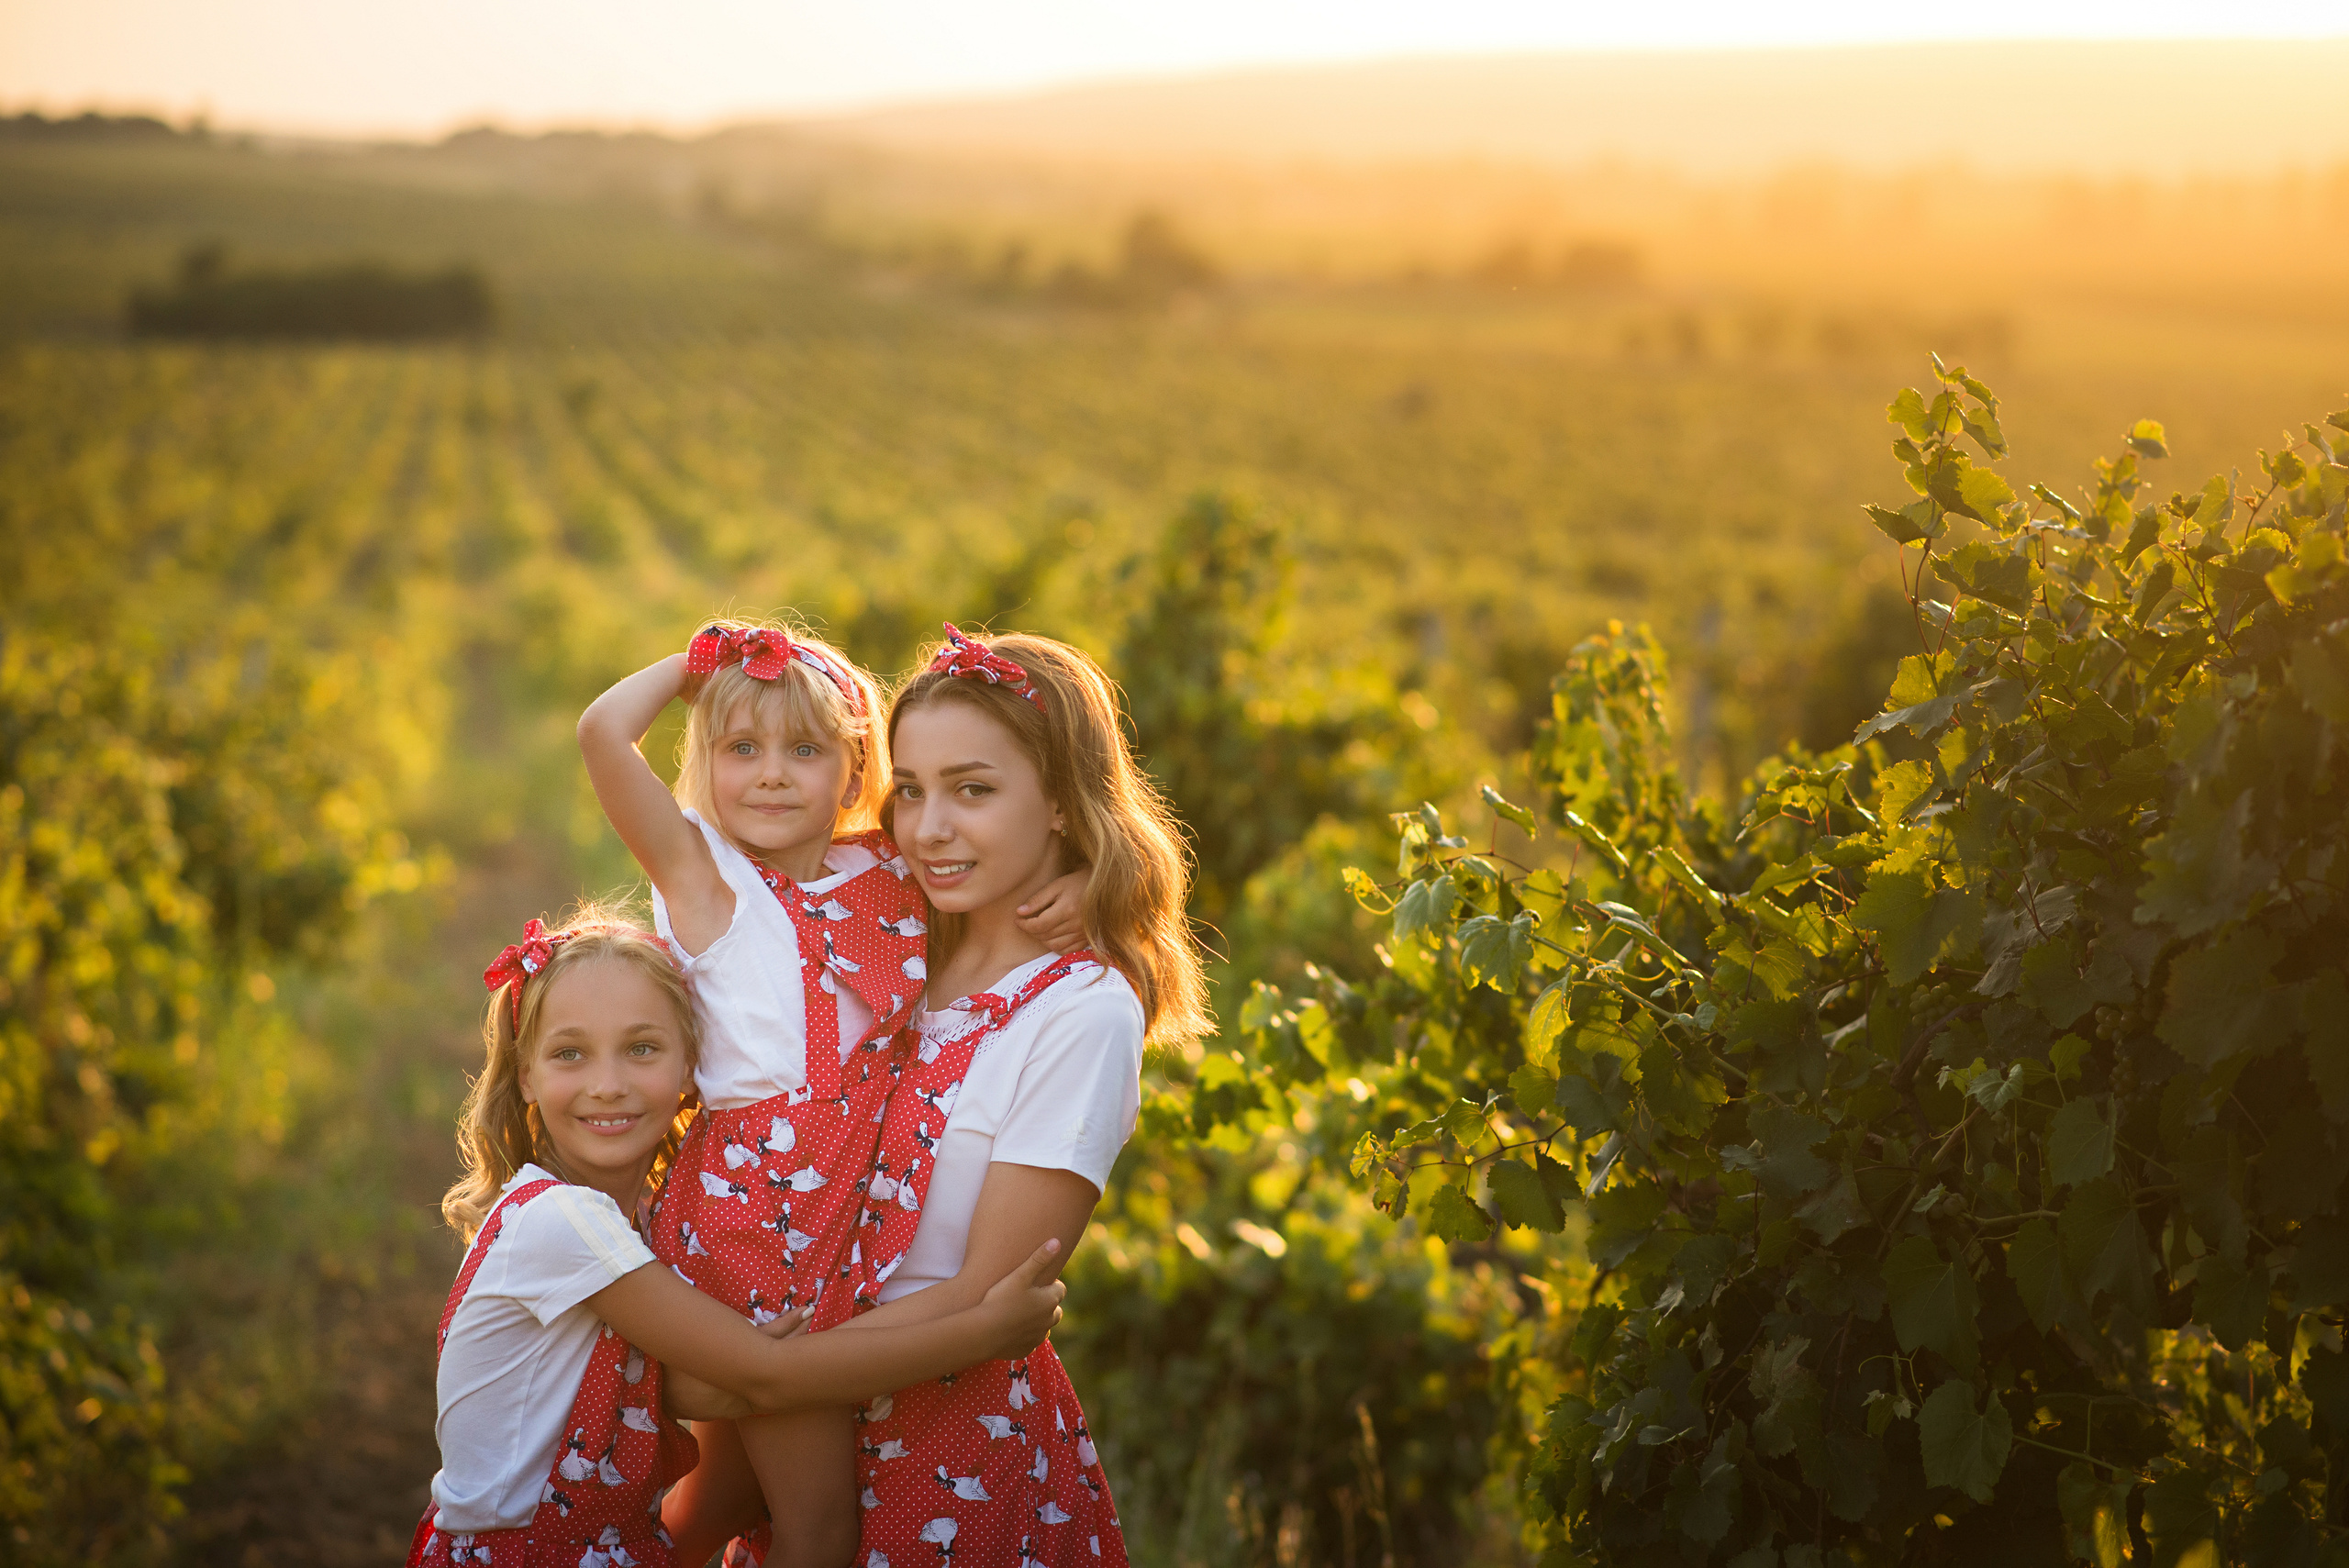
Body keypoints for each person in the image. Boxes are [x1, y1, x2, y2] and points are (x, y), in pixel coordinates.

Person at [576, 619, 1088, 1568]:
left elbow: (998, 856)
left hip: (840, 1215)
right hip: (755, 1226)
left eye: (804, 750)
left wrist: (1092, 880)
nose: (770, 773)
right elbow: (602, 733)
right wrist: (706, 665)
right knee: (820, 1525)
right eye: (741, 749)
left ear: (855, 773)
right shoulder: (705, 879)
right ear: (706, 762)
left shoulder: (882, 868)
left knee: (724, 1497)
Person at [723, 625, 1211, 1566]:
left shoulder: (1080, 1009)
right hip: (792, 1437)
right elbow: (753, 844)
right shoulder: (900, 920)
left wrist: (763, 1372)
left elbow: (986, 1295)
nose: (928, 827)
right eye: (909, 788)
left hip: (949, 1452)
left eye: (973, 789)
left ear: (1065, 803)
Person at [411, 908, 1069, 1568]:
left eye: (642, 1047)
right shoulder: (559, 1222)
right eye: (569, 1053)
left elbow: (707, 1390)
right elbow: (765, 1377)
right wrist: (984, 1332)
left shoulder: (643, 1224)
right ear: (526, 1073)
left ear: (694, 1066)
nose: (607, 1084)